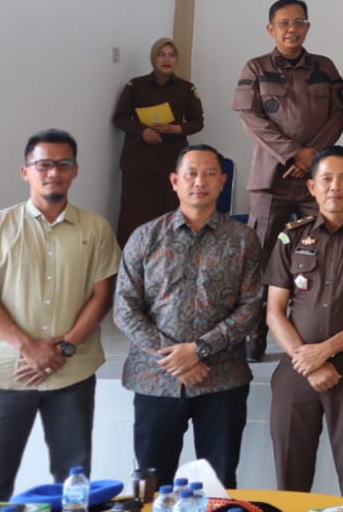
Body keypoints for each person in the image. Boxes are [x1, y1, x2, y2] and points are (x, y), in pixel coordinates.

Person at [0, 129, 121, 503]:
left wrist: (64, 347)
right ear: (26, 171)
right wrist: (30, 347)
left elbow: (102, 296)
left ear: (75, 170)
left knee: (73, 486)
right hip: (7, 374)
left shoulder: (96, 229)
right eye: (43, 164)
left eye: (64, 164)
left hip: (72, 373)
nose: (54, 172)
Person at [114, 144, 262, 487]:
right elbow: (124, 308)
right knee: (152, 487)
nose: (200, 181)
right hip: (156, 380)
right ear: (174, 181)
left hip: (222, 379)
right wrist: (175, 358)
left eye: (209, 174)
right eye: (191, 174)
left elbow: (251, 307)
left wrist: (198, 350)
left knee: (219, 486)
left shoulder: (243, 239)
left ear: (223, 181)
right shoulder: (145, 236)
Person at [263, 147, 343, 499]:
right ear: (312, 186)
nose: (335, 186)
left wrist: (325, 351)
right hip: (296, 367)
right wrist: (307, 360)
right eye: (326, 179)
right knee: (290, 482)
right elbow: (274, 311)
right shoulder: (291, 236)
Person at [233, 0, 343, 361]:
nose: (292, 29)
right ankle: (253, 338)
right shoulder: (256, 67)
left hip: (317, 182)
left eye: (299, 22)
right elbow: (251, 118)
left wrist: (311, 156)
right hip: (271, 180)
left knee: (323, 254)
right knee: (259, 258)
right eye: (284, 23)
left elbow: (340, 114)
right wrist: (293, 153)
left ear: (308, 27)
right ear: (271, 29)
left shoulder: (325, 67)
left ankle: (316, 334)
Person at [113, 37, 205, 243]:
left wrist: (176, 128)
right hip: (138, 162)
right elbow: (120, 118)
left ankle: (170, 256)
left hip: (171, 161)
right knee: (133, 213)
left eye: (171, 55)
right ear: (153, 58)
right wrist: (142, 131)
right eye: (161, 55)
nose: (167, 59)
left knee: (170, 213)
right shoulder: (135, 85)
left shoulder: (186, 88)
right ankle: (130, 257)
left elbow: (198, 122)